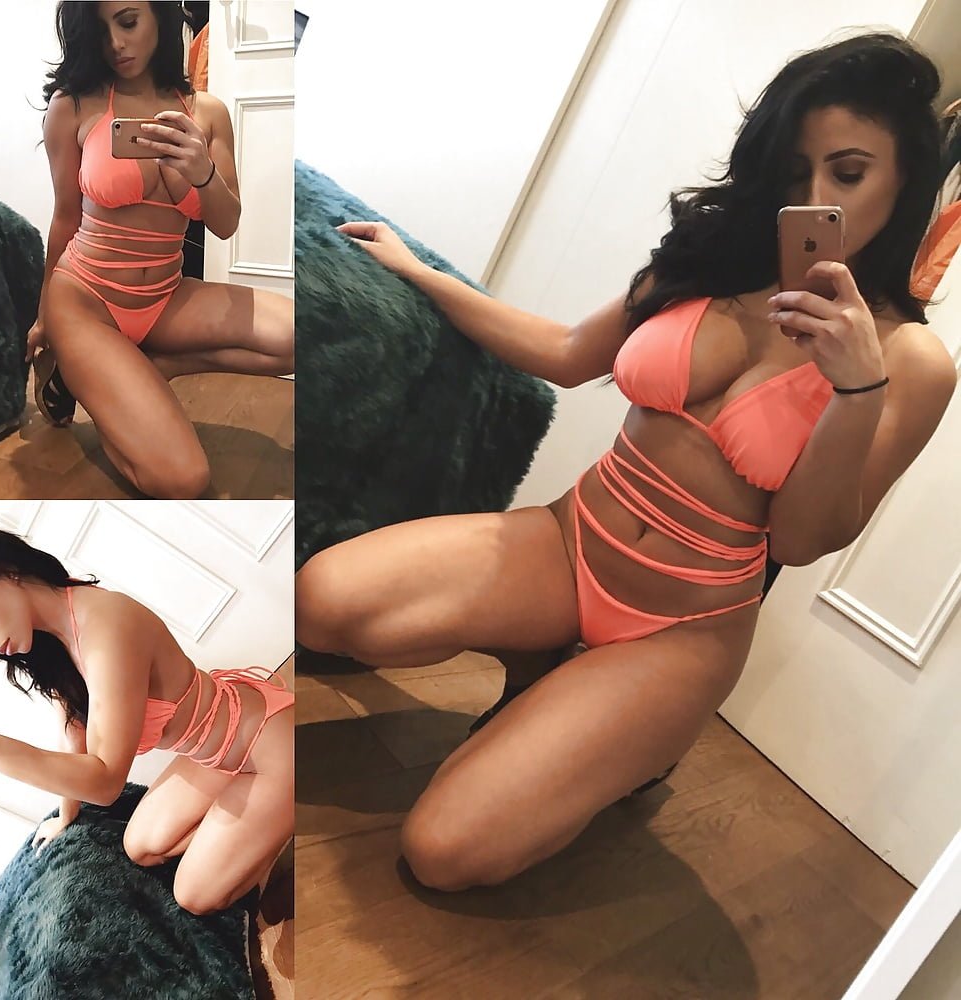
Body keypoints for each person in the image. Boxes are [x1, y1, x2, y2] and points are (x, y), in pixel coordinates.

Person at [294, 33, 958, 893]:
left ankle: (625, 743)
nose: (814, 199)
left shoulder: (910, 362)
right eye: (795, 170)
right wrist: (419, 272)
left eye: (849, 172)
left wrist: (854, 392)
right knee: (321, 600)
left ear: (904, 181)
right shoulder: (710, 257)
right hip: (571, 540)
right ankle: (543, 665)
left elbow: (797, 540)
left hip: (682, 630)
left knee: (444, 851)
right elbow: (569, 352)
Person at [30, 1, 294, 498]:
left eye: (128, 21)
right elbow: (65, 216)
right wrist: (45, 318)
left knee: (301, 337)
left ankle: (158, 367)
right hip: (86, 302)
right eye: (101, 30)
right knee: (183, 478)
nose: (115, 43)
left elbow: (226, 225)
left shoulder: (207, 112)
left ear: (160, 16)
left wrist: (203, 172)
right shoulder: (74, 107)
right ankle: (81, 372)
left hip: (165, 300)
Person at [0, 526, 294, 914]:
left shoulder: (105, 624)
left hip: (266, 745)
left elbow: (105, 782)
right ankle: (259, 824)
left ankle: (287, 805)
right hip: (213, 757)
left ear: (7, 570)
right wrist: (65, 816)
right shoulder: (55, 638)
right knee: (140, 848)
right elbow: (74, 734)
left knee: (194, 897)